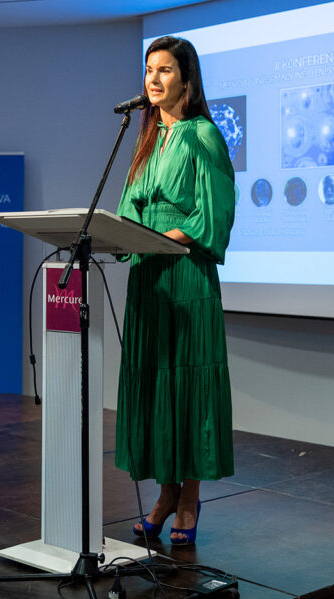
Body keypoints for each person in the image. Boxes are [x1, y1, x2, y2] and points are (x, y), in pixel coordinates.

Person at [115, 36, 235, 546]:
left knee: (188, 385)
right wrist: (123, 237)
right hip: (149, 278)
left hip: (186, 276)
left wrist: (163, 238)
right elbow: (130, 206)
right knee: (156, 383)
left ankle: (189, 499)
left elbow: (214, 212)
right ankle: (165, 494)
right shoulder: (145, 138)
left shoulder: (203, 135)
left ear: (186, 79)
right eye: (149, 69)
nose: (154, 79)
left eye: (165, 70)